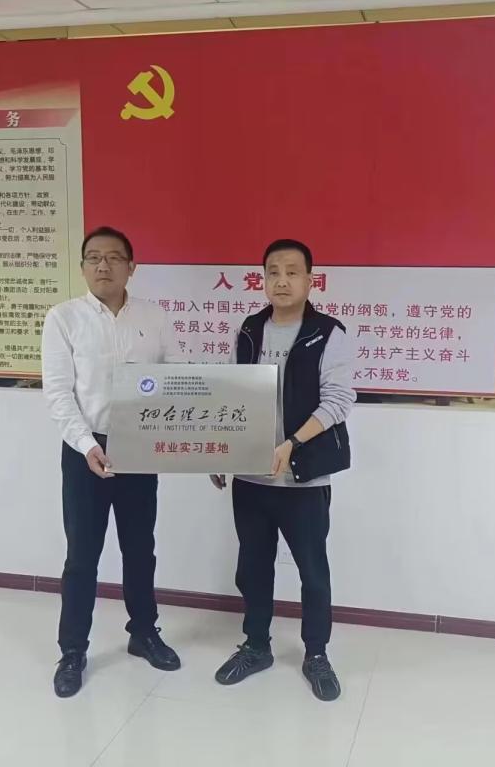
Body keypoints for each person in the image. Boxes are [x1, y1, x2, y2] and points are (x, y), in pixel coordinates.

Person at [210, 238, 356, 702]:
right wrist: (220, 452)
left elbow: (338, 401)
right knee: (253, 566)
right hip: (251, 477)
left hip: (304, 477)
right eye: (273, 271)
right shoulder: (249, 329)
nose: (282, 280)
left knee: (312, 570)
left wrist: (292, 444)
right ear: (263, 279)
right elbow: (231, 393)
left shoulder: (328, 333)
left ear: (311, 280)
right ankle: (256, 646)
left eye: (292, 271)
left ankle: (317, 654)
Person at [41, 226, 184, 698]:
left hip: (141, 445)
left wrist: (201, 438)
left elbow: (178, 378)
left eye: (114, 257)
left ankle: (143, 633)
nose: (103, 266)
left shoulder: (154, 317)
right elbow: (58, 393)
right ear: (83, 266)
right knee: (82, 555)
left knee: (140, 548)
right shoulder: (64, 318)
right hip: (86, 450)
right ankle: (72, 650)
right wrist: (87, 445)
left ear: (131, 266)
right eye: (93, 257)